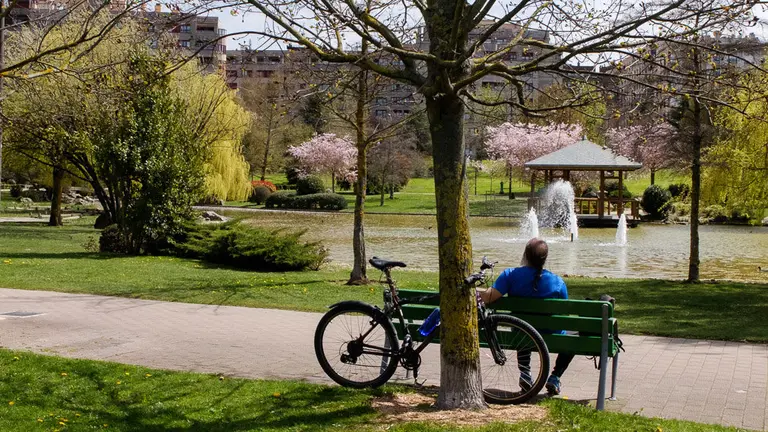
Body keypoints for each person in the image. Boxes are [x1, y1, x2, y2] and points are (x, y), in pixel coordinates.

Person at [479, 238, 573, 396]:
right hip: (550, 336)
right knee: (573, 337)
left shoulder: (510, 275)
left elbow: (488, 297)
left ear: (525, 255)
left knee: (523, 327)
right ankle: (555, 377)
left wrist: (471, 291)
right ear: (545, 258)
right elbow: (563, 315)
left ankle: (525, 374)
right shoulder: (557, 282)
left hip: (519, 334)